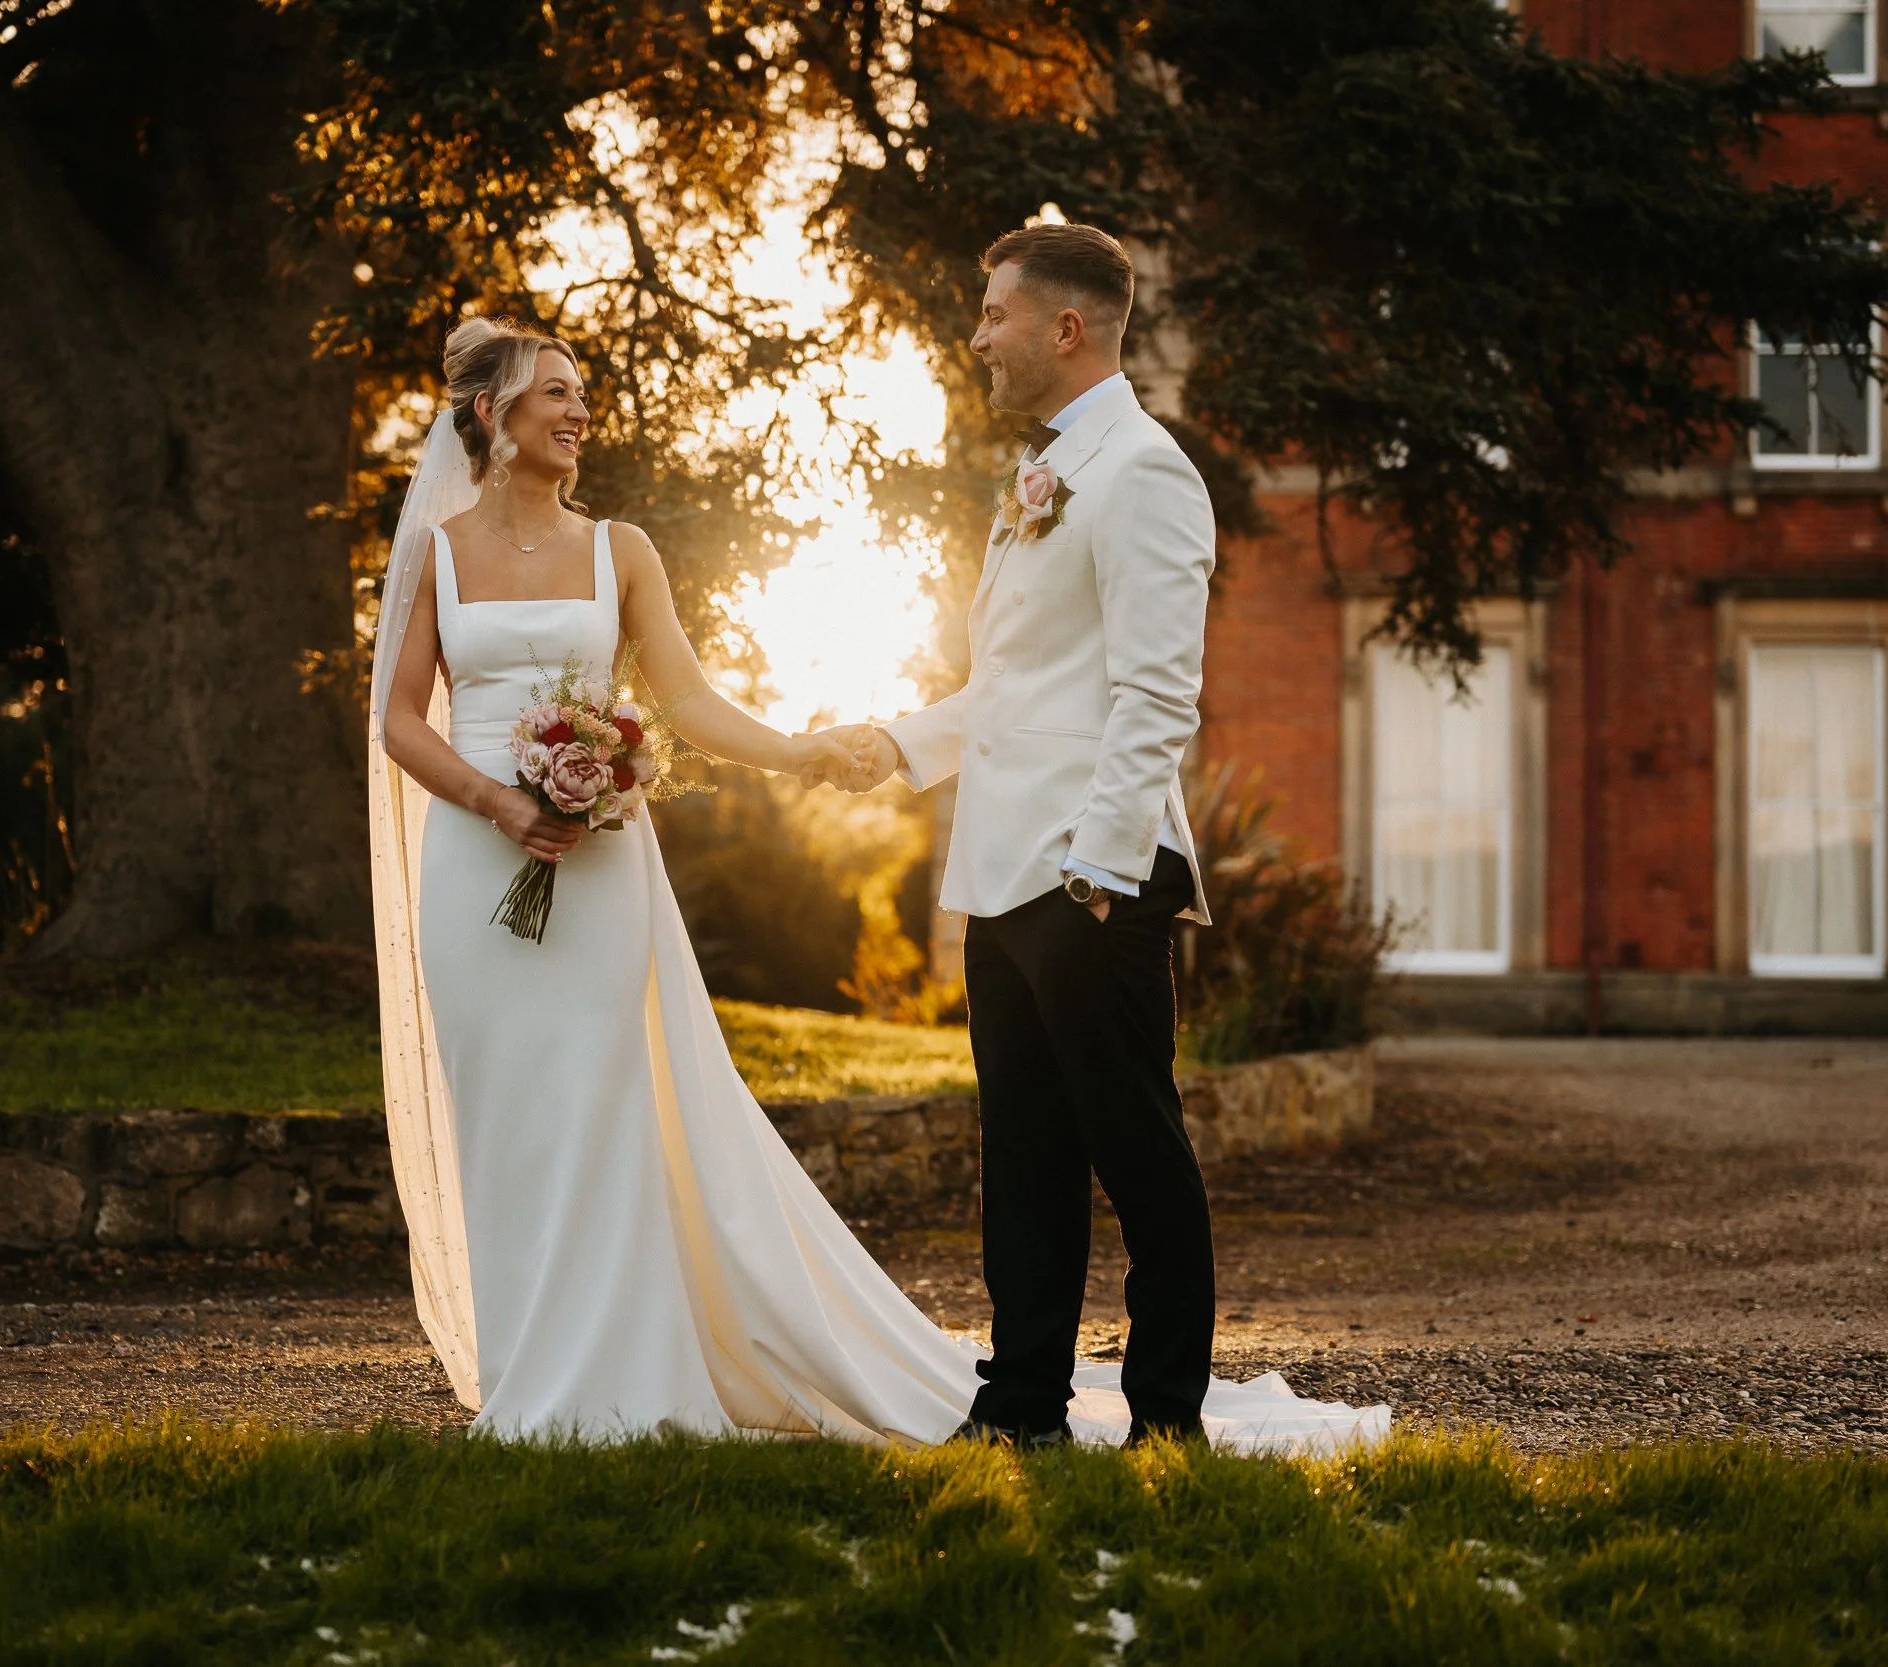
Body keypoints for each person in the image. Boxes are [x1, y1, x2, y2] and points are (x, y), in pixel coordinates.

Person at [368, 308, 1384, 1452]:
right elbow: (399, 719)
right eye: (556, 390)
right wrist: (501, 799)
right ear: (492, 415)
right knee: (501, 1108)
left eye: (583, 389)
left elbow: (693, 706)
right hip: (471, 862)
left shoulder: (624, 550)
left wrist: (818, 751)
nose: (580, 408)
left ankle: (617, 1368)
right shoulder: (436, 557)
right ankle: (529, 1371)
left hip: (600, 862)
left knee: (608, 1105)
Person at [815, 224, 1225, 1446]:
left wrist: (1099, 869)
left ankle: (1166, 1420)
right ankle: (1021, 1408)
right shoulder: (1044, 475)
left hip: (1090, 875)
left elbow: (1157, 695)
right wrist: (896, 742)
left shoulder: (1143, 471)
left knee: (1137, 1156)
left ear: (1066, 327)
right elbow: (1015, 683)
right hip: (1000, 874)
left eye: (994, 313)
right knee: (1026, 1163)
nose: (977, 335)